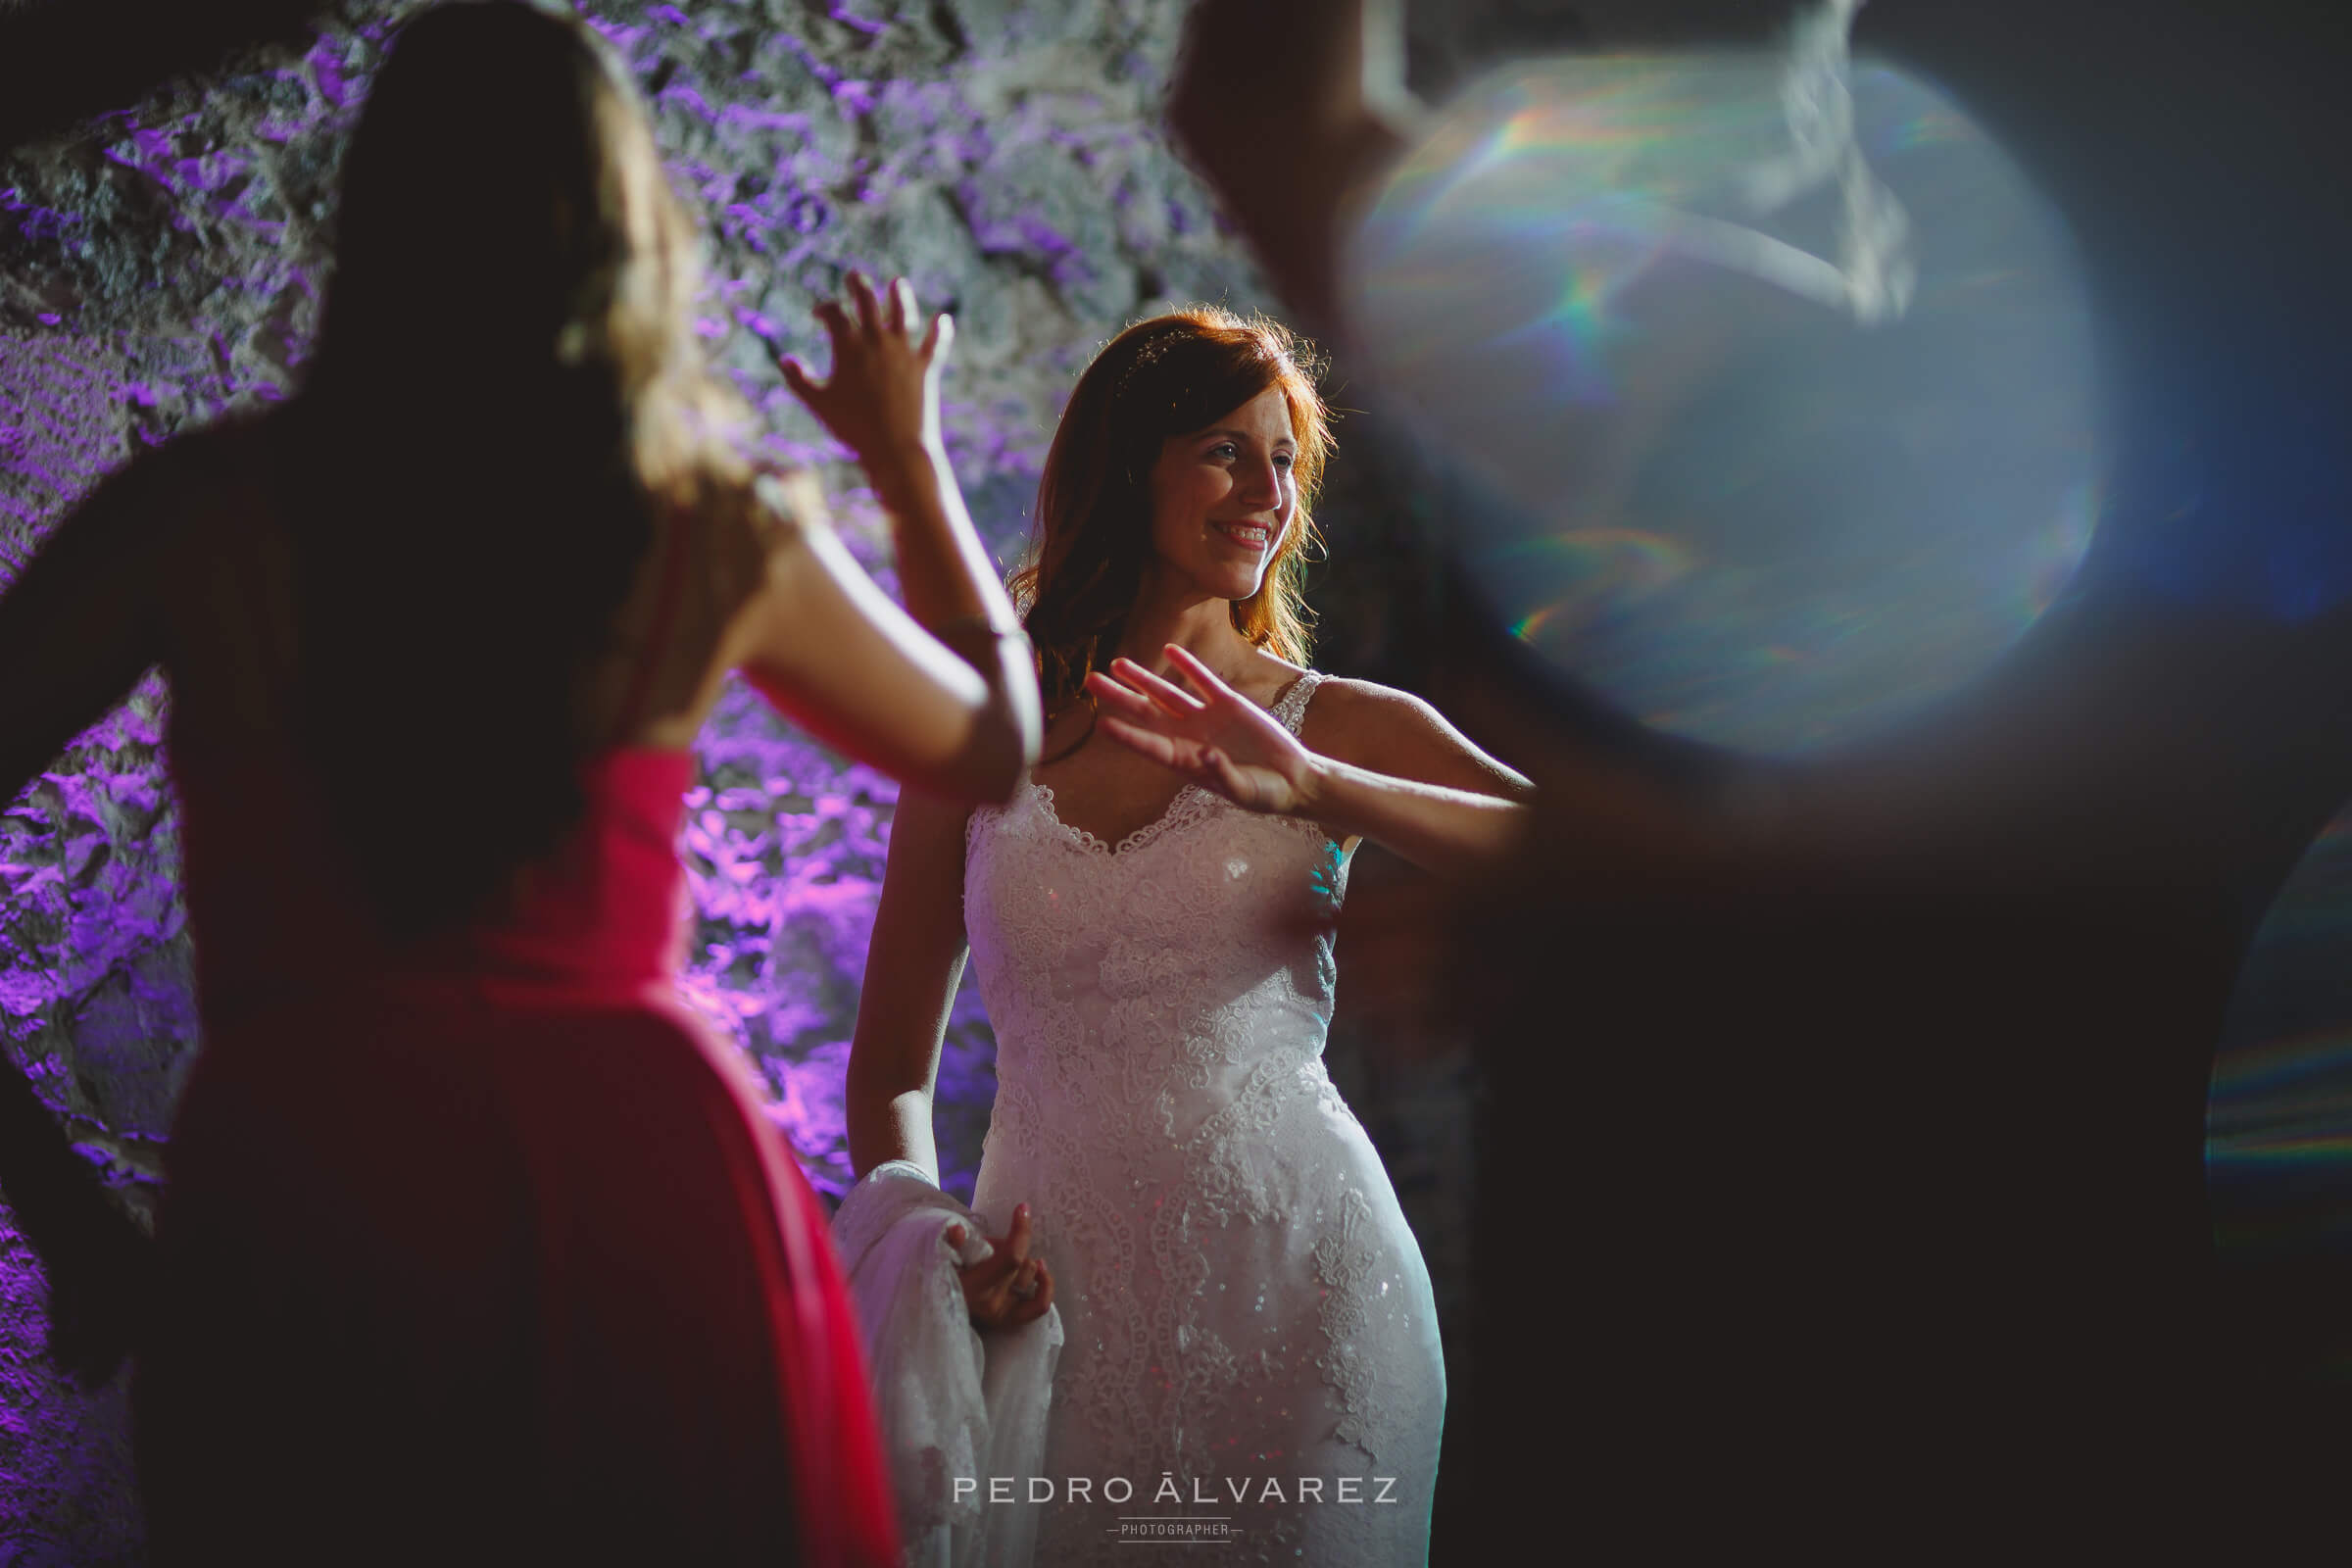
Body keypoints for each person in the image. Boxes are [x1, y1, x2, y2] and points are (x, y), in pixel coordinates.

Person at [1166, 0, 2352, 1553]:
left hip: (1802, 1290)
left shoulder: (1681, 334)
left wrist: (1615, 864)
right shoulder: (2120, 305)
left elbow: (1263, 105)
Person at [0, 4, 1040, 1563]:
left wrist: (63, 1213)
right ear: (629, 224)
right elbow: (992, 743)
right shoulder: (707, 522)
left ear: (376, 210)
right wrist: (905, 458)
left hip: (302, 1182)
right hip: (639, 1180)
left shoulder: (203, 514)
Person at [846, 304, 1532, 1563]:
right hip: (1048, 1308)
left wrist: (1320, 788)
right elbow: (891, 1064)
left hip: (1305, 1290)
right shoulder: (982, 737)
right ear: (1125, 465)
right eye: (1225, 449)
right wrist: (936, 1241)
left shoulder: (1335, 722)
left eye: (1285, 460)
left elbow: (1569, 860)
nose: (1265, 490)